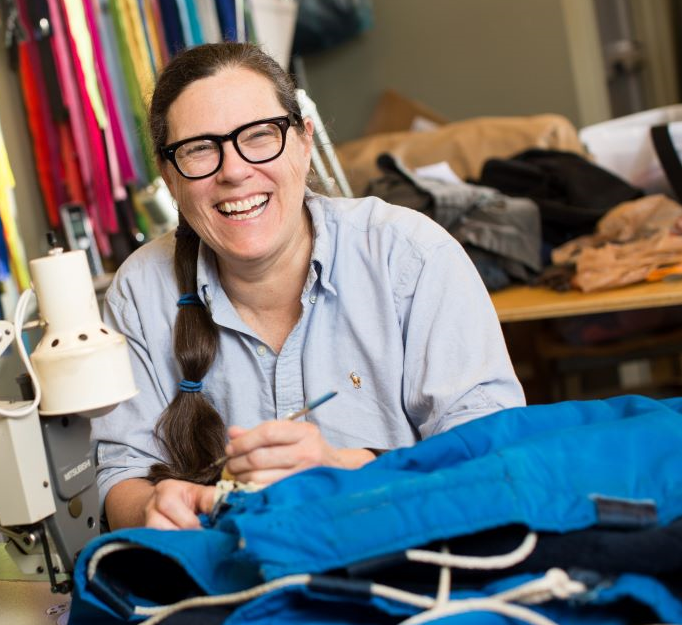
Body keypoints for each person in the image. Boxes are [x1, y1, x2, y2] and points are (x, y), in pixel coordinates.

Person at [91, 42, 525, 531]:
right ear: (170, 177)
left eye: (258, 136)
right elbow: (122, 473)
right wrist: (151, 507)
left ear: (303, 142)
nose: (233, 171)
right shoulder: (140, 291)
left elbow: (495, 456)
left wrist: (344, 470)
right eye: (199, 149)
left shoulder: (412, 257)